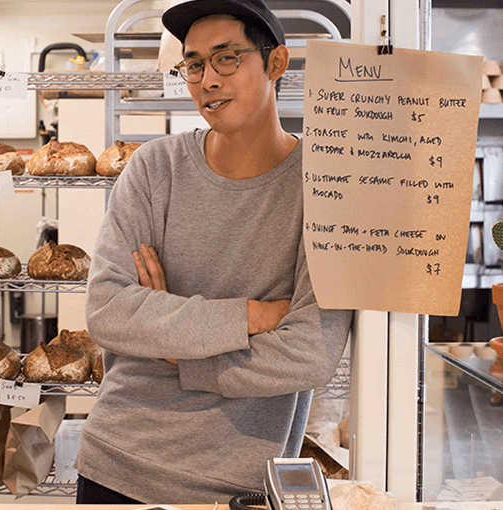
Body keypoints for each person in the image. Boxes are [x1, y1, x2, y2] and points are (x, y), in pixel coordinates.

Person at [74, 0, 353, 504]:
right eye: (194, 64)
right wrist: (251, 315)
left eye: (227, 58)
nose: (207, 80)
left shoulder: (324, 184)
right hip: (117, 463)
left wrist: (176, 347)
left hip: (241, 484)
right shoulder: (155, 167)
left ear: (276, 64)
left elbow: (309, 353)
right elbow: (108, 310)